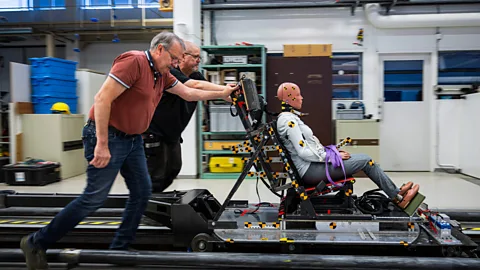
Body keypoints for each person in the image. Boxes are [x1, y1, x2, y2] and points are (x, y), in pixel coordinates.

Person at [20, 31, 237, 270]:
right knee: (93, 198)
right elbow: (102, 99)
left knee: (142, 192)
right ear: (160, 50)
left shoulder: (161, 74)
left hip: (132, 140)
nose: (177, 64)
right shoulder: (133, 61)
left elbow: (187, 92)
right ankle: (36, 242)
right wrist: (102, 144)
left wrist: (223, 93)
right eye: (175, 58)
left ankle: (119, 249)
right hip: (108, 136)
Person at [275, 82, 420, 209]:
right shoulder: (288, 121)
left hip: (312, 167)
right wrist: (331, 157)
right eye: (298, 95)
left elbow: (308, 146)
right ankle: (397, 197)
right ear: (289, 98)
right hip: (310, 171)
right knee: (366, 161)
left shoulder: (290, 118)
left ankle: (396, 192)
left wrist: (330, 153)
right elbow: (303, 152)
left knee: (364, 158)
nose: (302, 98)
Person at [145, 40, 231, 192]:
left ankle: (154, 201)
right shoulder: (170, 73)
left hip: (172, 134)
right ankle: (145, 207)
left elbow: (213, 92)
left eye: (200, 57)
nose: (199, 60)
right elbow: (195, 87)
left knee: (173, 169)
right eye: (195, 57)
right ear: (183, 57)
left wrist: (236, 98)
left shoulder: (196, 75)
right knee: (156, 175)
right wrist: (225, 89)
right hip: (154, 132)